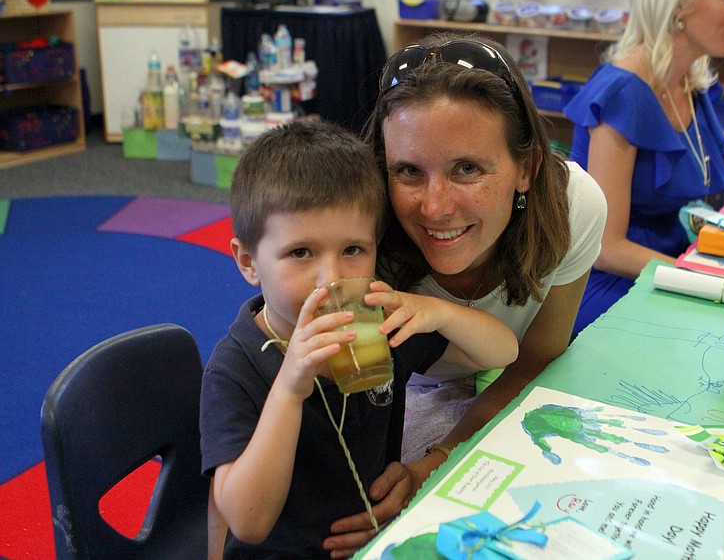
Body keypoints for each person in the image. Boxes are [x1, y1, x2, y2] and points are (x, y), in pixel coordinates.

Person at [322, 32, 607, 556]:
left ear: (527, 168)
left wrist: (440, 458)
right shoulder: (358, 227)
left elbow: (538, 357)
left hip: (493, 381)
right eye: (408, 170)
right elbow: (339, 391)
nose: (434, 208)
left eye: (467, 169)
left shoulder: (575, 207)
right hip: (394, 392)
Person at [199, 119, 519, 558]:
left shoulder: (376, 326)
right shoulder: (237, 366)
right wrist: (290, 388)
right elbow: (248, 523)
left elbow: (503, 351)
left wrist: (439, 312)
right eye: (300, 253)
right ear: (249, 261)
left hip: (377, 540)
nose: (331, 279)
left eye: (352, 250)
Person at [564, 0, 724, 334]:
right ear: (678, 4)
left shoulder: (687, 85)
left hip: (667, 263)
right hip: (607, 282)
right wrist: (701, 278)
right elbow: (606, 250)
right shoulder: (624, 92)